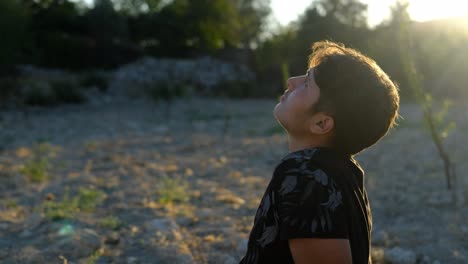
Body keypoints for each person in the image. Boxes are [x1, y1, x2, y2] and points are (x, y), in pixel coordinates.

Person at [239, 40, 400, 264]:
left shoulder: (306, 177)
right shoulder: (345, 172)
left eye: (306, 84)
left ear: (322, 123)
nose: (291, 82)